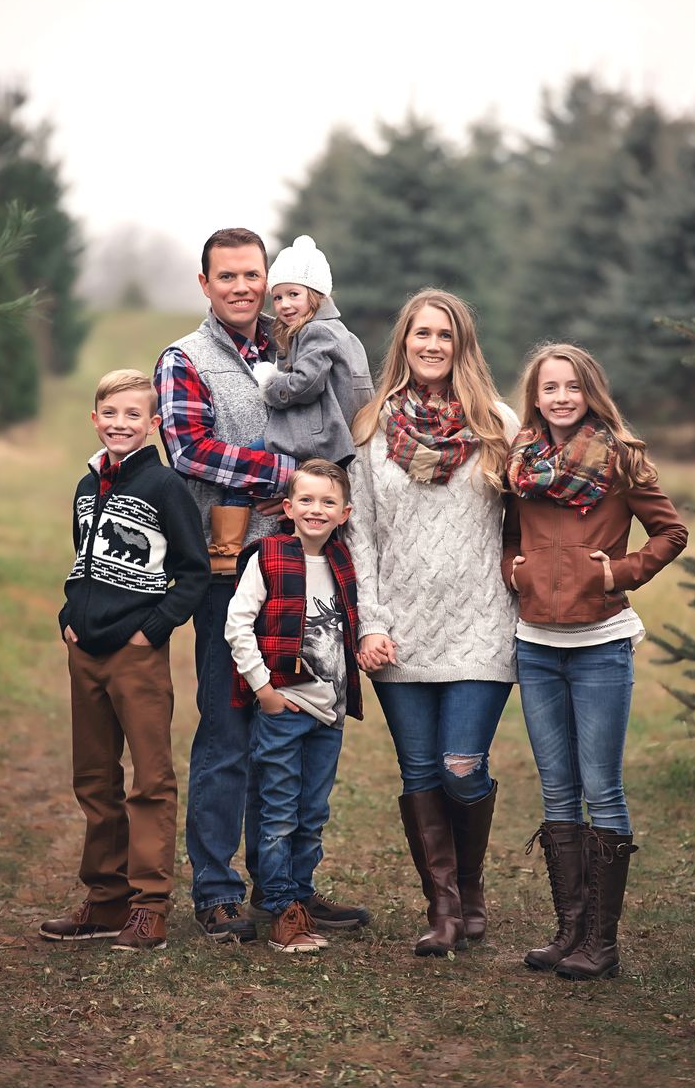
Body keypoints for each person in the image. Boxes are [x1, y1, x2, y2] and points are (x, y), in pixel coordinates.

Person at [154, 228, 367, 942]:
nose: (243, 287)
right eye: (229, 276)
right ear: (205, 282)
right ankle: (217, 889)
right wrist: (292, 479)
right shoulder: (186, 359)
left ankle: (286, 889)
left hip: (301, 567)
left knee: (296, 727)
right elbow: (190, 450)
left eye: (254, 274)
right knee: (226, 731)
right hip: (228, 572)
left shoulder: (292, 347)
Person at [502, 342, 688, 981]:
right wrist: (513, 570)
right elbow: (506, 536)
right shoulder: (519, 462)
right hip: (536, 643)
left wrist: (620, 571)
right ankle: (569, 932)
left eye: (572, 387)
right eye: (549, 387)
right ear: (536, 396)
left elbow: (671, 532)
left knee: (600, 786)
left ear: (590, 394)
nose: (560, 397)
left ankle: (601, 944)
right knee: (556, 787)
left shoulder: (622, 460)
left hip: (600, 644)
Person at [346, 289, 519, 957]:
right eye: (421, 333)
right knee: (419, 771)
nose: (432, 345)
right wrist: (369, 622)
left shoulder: (496, 425)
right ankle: (445, 911)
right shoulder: (370, 431)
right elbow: (359, 534)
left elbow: (527, 518)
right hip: (400, 628)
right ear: (405, 342)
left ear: (461, 345)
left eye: (445, 335)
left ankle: (470, 890)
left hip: (480, 622)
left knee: (459, 765)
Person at [39, 370, 210, 951]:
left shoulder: (164, 486)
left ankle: (149, 904)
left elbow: (193, 571)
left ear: (153, 424)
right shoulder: (87, 485)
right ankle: (106, 900)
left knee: (150, 780)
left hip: (135, 656)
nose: (120, 424)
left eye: (133, 416)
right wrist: (69, 614)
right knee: (93, 778)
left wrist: (154, 628)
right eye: (110, 414)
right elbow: (82, 555)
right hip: (84, 652)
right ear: (95, 419)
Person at [225, 460, 363, 952]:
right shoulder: (269, 556)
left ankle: (299, 893)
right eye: (306, 500)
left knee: (312, 810)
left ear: (344, 512)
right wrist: (263, 689)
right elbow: (237, 625)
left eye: (328, 502)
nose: (316, 510)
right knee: (280, 809)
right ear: (287, 508)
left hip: (330, 712)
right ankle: (283, 907)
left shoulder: (343, 562)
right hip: (284, 706)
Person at [213, 234, 374, 561]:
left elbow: (306, 383)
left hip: (318, 437)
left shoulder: (316, 331)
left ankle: (225, 549)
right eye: (278, 297)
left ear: (317, 295)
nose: (285, 305)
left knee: (243, 469)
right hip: (334, 436)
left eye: (293, 295)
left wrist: (271, 383)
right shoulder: (340, 332)